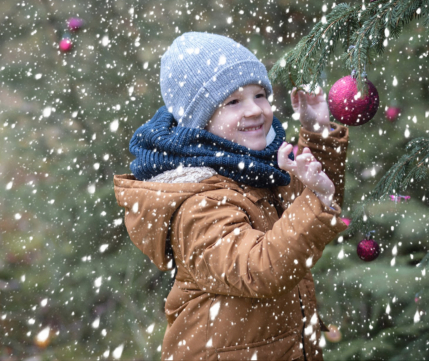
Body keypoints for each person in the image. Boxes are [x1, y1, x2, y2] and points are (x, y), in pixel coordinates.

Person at [114, 32, 349, 361]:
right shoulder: (200, 200)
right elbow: (261, 269)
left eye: (259, 95)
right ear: (200, 123)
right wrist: (317, 199)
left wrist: (319, 135)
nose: (254, 110)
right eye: (233, 102)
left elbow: (303, 221)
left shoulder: (253, 170)